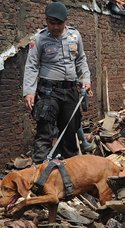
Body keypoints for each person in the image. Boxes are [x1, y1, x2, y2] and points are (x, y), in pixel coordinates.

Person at [23, 1, 92, 164]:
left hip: (70, 91)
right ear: (46, 20)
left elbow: (81, 60)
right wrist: (29, 91)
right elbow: (31, 66)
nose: (55, 27)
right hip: (48, 92)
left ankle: (70, 174)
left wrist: (86, 79)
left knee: (70, 132)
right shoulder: (39, 39)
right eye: (51, 23)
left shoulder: (75, 36)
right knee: (45, 132)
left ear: (65, 21)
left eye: (59, 23)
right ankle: (39, 171)